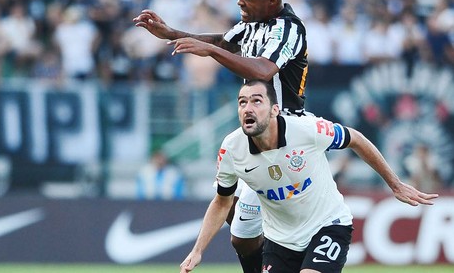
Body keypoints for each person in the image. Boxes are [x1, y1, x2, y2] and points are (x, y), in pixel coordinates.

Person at [134, 0, 307, 272]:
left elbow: (263, 70)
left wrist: (209, 53)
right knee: (237, 228)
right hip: (256, 135)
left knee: (253, 233)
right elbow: (225, 42)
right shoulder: (254, 23)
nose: (239, 2)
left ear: (271, 0)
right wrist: (170, 34)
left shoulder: (288, 28)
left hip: (284, 137)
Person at [180, 80, 438, 273]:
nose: (248, 107)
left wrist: (394, 184)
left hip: (328, 225)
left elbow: (355, 138)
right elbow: (222, 201)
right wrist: (198, 250)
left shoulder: (307, 130)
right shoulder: (231, 148)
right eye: (242, 102)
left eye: (257, 101)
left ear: (274, 110)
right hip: (280, 240)